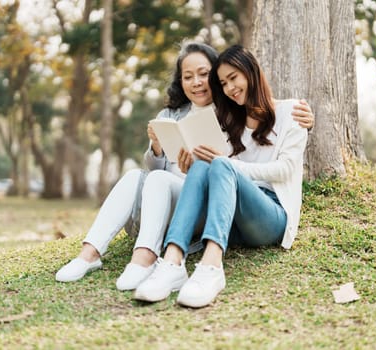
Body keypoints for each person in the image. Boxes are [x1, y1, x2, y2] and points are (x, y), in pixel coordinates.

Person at [56, 42, 314, 291]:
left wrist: (301, 118)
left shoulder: (230, 113)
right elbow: (161, 167)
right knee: (143, 175)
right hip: (184, 198)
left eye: (205, 75)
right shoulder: (180, 115)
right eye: (188, 76)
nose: (198, 82)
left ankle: (177, 261)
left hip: (224, 201)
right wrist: (159, 148)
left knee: (194, 171)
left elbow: (262, 128)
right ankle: (96, 253)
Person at [134, 45, 309, 308]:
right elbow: (217, 170)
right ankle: (172, 262)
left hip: (271, 214)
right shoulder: (228, 121)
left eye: (233, 78)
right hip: (232, 217)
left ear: (251, 72)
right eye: (223, 83)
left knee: (219, 164)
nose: (230, 88)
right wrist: (193, 166)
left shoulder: (292, 111)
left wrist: (229, 165)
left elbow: (284, 169)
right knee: (205, 163)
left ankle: (212, 267)